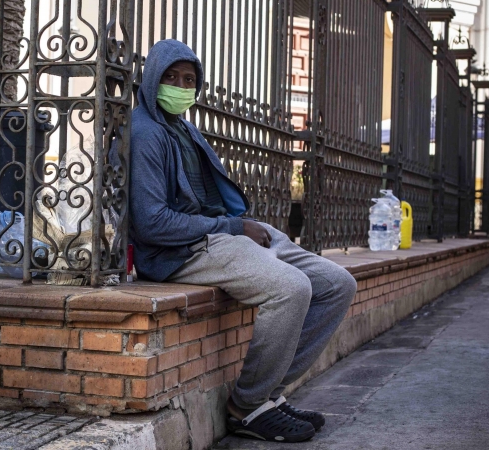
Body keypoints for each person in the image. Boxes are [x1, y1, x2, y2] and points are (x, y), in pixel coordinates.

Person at [129, 39, 357, 443]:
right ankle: (247, 407)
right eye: (171, 77)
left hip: (221, 232)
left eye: (189, 79)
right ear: (151, 79)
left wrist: (239, 225)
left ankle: (267, 395)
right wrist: (234, 229)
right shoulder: (145, 133)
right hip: (181, 251)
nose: (181, 86)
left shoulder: (184, 127)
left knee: (337, 284)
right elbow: (151, 224)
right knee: (290, 288)